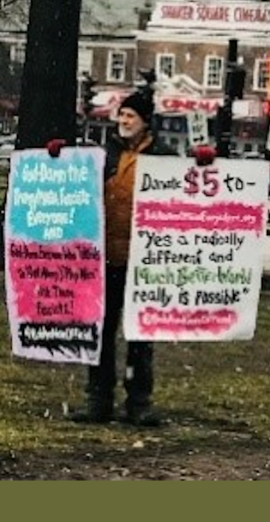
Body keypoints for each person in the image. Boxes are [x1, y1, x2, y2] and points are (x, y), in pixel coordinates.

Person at [70, 91, 179, 427]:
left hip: (142, 263)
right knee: (100, 332)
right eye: (122, 114)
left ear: (145, 120)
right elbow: (77, 185)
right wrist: (57, 160)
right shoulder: (105, 156)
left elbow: (185, 193)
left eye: (131, 115)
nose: (124, 120)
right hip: (105, 262)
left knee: (139, 335)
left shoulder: (163, 157)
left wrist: (204, 165)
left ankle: (138, 401)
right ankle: (98, 399)